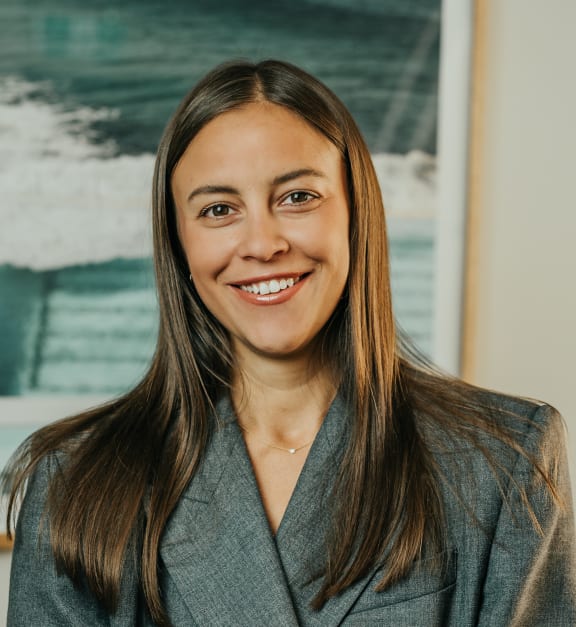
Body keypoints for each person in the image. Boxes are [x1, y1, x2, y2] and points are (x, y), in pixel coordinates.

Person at [4, 59, 575, 626]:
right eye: (219, 210)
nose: (262, 243)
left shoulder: (502, 460)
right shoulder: (76, 481)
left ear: (357, 213)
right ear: (178, 243)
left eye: (298, 197)